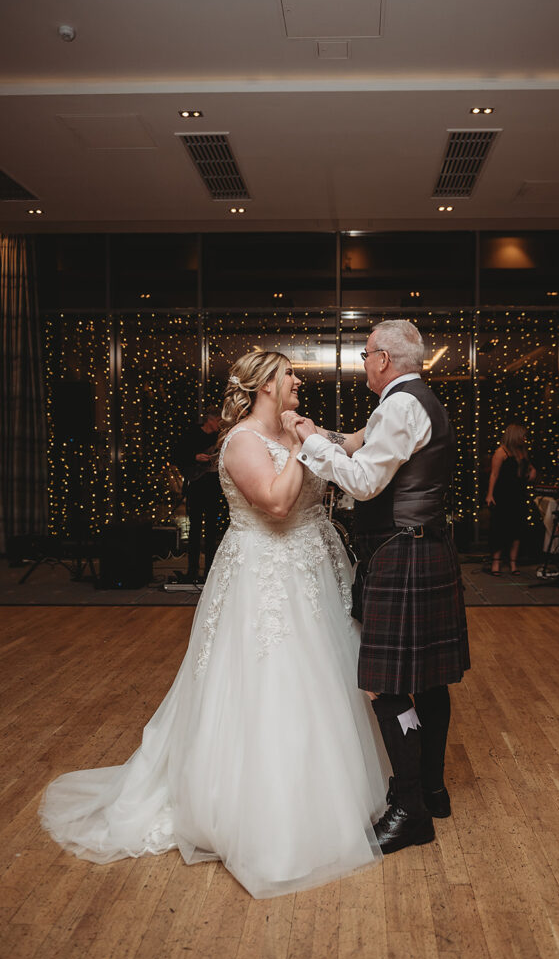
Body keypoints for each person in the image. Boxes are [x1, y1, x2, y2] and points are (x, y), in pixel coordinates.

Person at [40, 350, 390, 899]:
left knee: (322, 682)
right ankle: (261, 816)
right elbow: (275, 504)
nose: (299, 380)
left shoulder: (302, 428)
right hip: (265, 577)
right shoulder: (242, 442)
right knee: (273, 682)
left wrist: (389, 411)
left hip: (311, 575)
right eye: (289, 374)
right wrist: (301, 447)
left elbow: (350, 445)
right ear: (263, 387)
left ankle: (325, 795)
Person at [293, 320, 470, 856]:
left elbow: (364, 479)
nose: (364, 361)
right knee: (431, 681)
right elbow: (356, 443)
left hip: (402, 554)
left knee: (384, 683)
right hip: (424, 547)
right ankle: (432, 791)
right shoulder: (417, 400)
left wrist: (307, 444)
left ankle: (410, 810)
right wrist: (318, 433)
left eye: (366, 352)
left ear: (384, 360)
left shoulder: (398, 406)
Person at [172, 405, 222, 583]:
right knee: (194, 531)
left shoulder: (219, 438)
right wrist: (195, 457)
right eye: (218, 421)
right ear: (210, 420)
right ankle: (192, 571)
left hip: (213, 485)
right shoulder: (191, 434)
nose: (220, 425)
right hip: (196, 484)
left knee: (211, 531)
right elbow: (176, 455)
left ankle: (209, 572)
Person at [485, 424, 536, 575]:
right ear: (515, 436)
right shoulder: (501, 452)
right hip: (504, 494)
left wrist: (533, 470)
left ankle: (513, 563)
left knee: (517, 529)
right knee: (500, 528)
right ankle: (496, 562)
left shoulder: (522, 452)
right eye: (522, 436)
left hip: (518, 494)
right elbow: (494, 474)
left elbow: (528, 467)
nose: (525, 439)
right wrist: (490, 494)